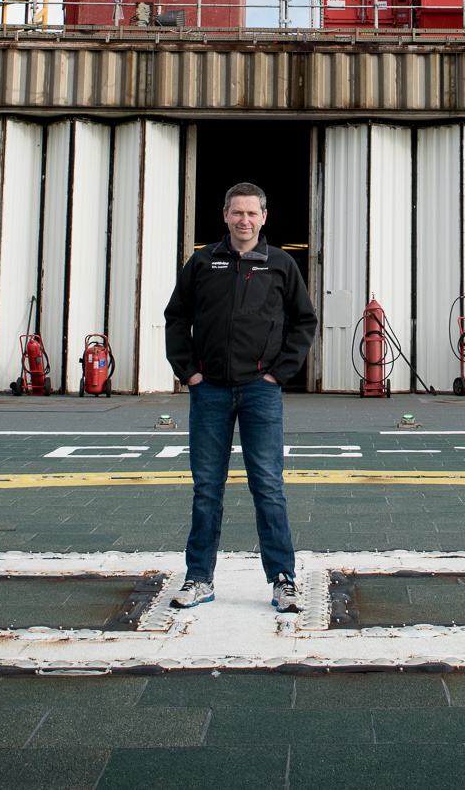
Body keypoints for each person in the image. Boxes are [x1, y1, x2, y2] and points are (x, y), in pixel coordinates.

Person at [162, 181, 316, 612]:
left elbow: (304, 322)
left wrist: (278, 375)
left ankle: (283, 580)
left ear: (264, 217)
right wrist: (188, 372)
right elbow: (176, 317)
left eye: (252, 213)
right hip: (209, 390)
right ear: (225, 215)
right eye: (237, 213)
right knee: (207, 487)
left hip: (259, 393)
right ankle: (199, 578)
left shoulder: (282, 264)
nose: (244, 220)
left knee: (267, 485)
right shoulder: (202, 262)